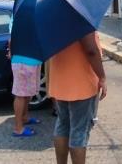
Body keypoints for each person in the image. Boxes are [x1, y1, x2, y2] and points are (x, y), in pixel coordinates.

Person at [49, 31, 106, 164]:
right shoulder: (80, 16)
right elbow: (91, 50)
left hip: (60, 80)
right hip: (80, 82)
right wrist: (102, 77)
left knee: (63, 125)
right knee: (79, 131)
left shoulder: (54, 18)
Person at [7, 21, 42, 137]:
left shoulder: (35, 14)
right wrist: (11, 52)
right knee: (21, 94)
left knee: (28, 93)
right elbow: (11, 39)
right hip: (23, 61)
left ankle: (25, 117)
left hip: (33, 60)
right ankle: (18, 128)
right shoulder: (20, 16)